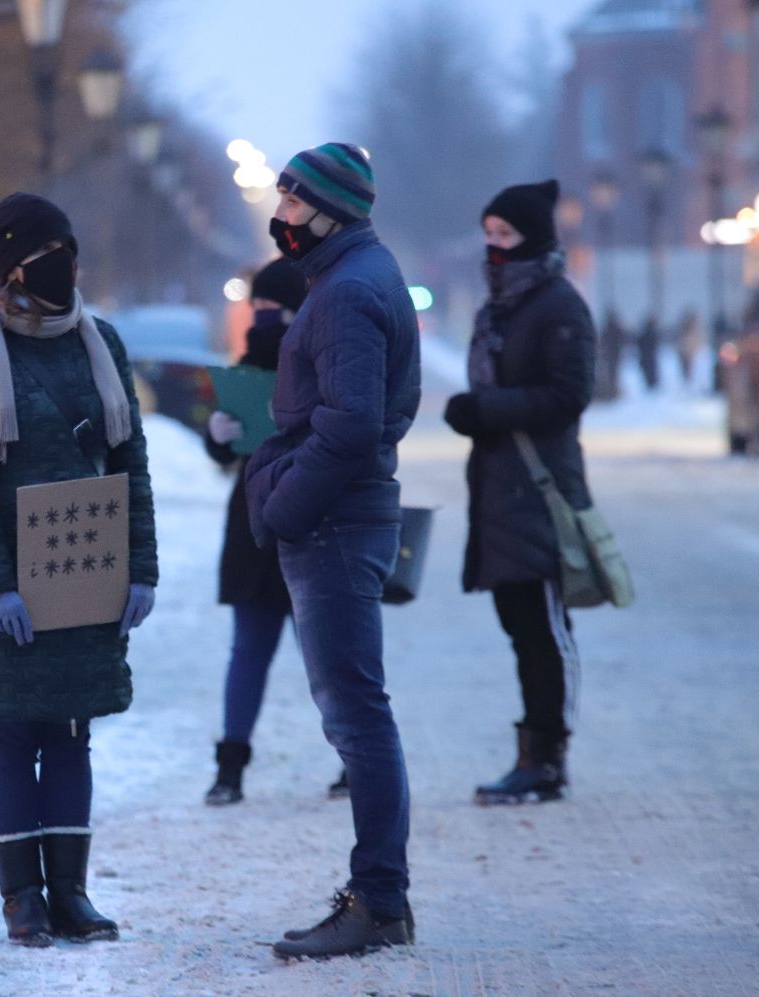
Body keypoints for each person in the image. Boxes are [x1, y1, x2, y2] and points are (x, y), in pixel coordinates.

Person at [0, 193, 158, 949]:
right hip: (11, 582)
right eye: (47, 257)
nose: (66, 268)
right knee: (13, 730)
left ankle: (71, 891)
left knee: (72, 731)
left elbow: (133, 466)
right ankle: (21, 899)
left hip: (87, 568)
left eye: (69, 250)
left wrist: (142, 570)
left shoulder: (101, 342)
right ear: (11, 269)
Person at [243, 144, 420, 959]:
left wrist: (285, 505)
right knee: (357, 713)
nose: (279, 217)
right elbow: (387, 407)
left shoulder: (347, 291)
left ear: (328, 210)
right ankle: (378, 896)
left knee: (357, 718)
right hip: (344, 518)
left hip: (336, 526)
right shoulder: (359, 275)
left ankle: (378, 902)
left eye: (289, 202)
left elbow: (352, 422)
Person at [441, 179, 595, 807]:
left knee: (542, 627)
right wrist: (481, 413)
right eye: (489, 236)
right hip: (500, 488)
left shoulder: (559, 306)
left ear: (534, 238)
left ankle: (546, 758)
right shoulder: (498, 307)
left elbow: (569, 395)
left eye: (506, 236)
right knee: (516, 621)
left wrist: (486, 409)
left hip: (540, 486)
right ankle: (533, 753)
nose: (495, 247)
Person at [202, 258, 307, 806]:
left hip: (308, 524)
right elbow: (226, 446)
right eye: (257, 308)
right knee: (248, 651)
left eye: (273, 309)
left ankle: (353, 761)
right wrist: (219, 434)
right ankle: (230, 767)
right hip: (252, 526)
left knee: (327, 655)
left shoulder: (319, 363)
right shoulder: (244, 368)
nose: (262, 319)